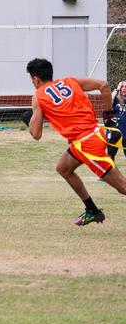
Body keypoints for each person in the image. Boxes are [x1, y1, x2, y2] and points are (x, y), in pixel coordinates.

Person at [26, 57, 126, 226]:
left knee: (122, 187)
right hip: (92, 135)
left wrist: (30, 120)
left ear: (35, 79)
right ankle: (92, 210)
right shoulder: (69, 82)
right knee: (63, 168)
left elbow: (36, 134)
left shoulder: (38, 97)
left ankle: (92, 210)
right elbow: (104, 86)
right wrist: (109, 116)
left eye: (31, 79)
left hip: (87, 144)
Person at [108, 81, 126, 163]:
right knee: (110, 156)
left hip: (125, 131)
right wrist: (117, 89)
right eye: (122, 87)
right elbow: (109, 99)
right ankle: (110, 168)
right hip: (114, 130)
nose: (124, 88)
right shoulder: (115, 99)